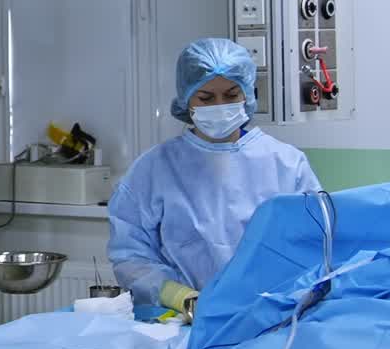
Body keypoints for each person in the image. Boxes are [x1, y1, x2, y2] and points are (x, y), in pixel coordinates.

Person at [107, 37, 320, 314]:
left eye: (231, 95)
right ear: (187, 99)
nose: (219, 105)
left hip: (269, 316)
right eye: (206, 98)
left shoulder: (286, 164)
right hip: (182, 321)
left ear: (247, 95)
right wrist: (181, 297)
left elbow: (314, 244)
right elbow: (130, 255)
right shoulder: (154, 169)